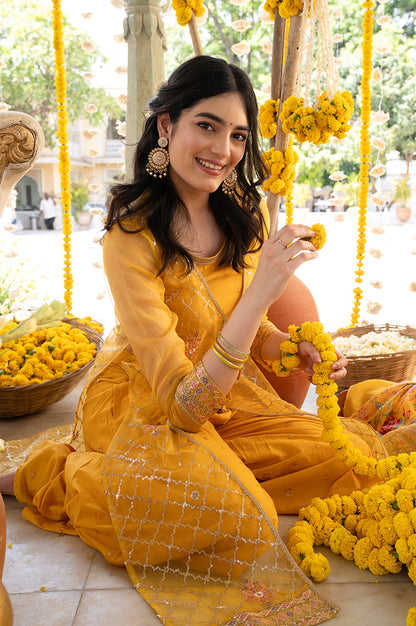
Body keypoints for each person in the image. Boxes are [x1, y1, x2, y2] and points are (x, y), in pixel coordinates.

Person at [0, 56, 413, 624]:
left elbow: (258, 335)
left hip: (229, 394)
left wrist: (294, 349)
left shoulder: (241, 214)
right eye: (207, 125)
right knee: (243, 522)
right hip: (147, 403)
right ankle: (59, 472)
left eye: (238, 134)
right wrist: (263, 289)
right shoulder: (130, 236)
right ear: (167, 126)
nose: (224, 149)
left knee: (359, 458)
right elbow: (184, 407)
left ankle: (214, 469)